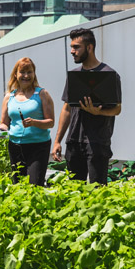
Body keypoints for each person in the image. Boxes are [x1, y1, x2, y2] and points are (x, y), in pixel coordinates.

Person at [52, 28, 122, 184]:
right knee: (74, 191)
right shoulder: (74, 75)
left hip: (98, 142)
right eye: (71, 47)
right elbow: (66, 109)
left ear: (89, 47)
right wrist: (57, 141)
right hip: (74, 142)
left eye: (76, 47)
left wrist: (98, 112)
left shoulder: (109, 75)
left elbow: (117, 109)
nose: (72, 51)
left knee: (98, 191)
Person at [0, 57, 55, 186]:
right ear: (15, 74)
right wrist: (1, 130)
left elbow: (51, 122)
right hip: (15, 146)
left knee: (34, 184)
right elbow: (4, 122)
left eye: (29, 72)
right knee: (17, 184)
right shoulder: (9, 97)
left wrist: (35, 122)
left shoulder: (42, 94)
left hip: (38, 146)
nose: (26, 76)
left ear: (34, 74)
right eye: (22, 72)